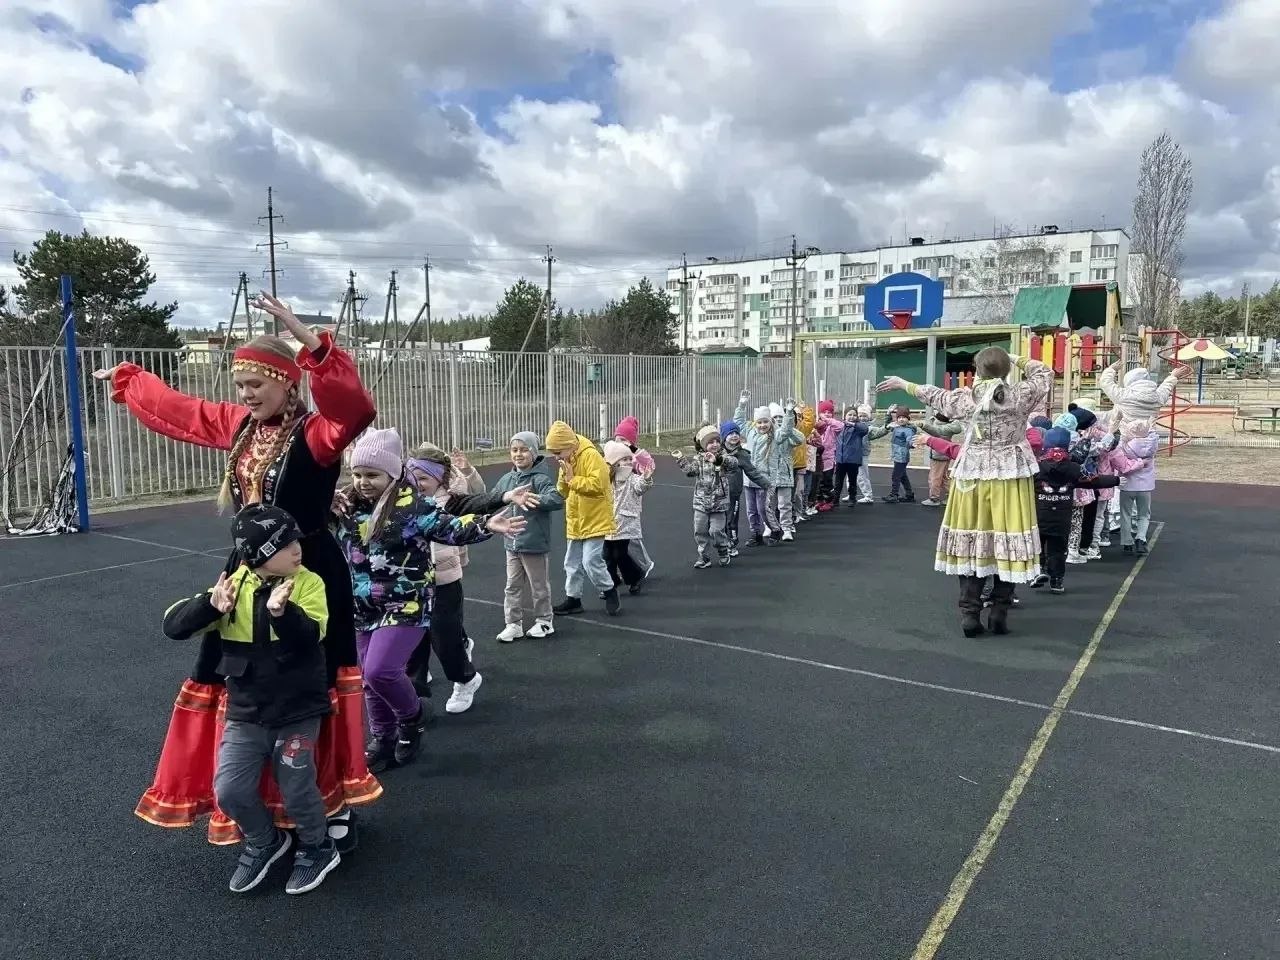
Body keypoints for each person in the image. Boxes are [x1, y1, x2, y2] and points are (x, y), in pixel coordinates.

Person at [105, 293, 377, 851]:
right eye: (240, 387)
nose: (245, 395)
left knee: (309, 681)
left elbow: (356, 411)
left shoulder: (316, 435)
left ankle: (326, 799)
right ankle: (261, 798)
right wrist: (131, 379)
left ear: (287, 383)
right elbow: (183, 412)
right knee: (245, 677)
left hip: (308, 568)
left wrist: (311, 341)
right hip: (251, 567)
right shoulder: (241, 427)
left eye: (256, 385)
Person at [162, 505, 339, 895]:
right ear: (259, 553)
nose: (297, 549)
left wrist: (282, 613)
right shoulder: (231, 588)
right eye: (286, 543)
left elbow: (312, 634)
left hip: (298, 711)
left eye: (296, 540)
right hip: (247, 714)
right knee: (230, 790)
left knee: (295, 782)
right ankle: (264, 841)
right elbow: (172, 625)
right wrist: (209, 606)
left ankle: (318, 846)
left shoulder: (308, 583)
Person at [331, 429, 514, 769]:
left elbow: (449, 527)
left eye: (372, 474)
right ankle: (383, 738)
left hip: (407, 604)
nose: (363, 482)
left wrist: (487, 523)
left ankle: (412, 717)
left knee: (381, 670)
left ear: (393, 473)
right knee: (369, 680)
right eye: (357, 474)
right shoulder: (346, 506)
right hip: (363, 607)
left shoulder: (412, 506)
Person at [878, 347, 1052, 637]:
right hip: (1010, 477)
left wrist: (903, 383)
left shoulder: (964, 398)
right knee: (1007, 542)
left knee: (971, 540)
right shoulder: (1021, 395)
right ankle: (999, 612)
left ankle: (970, 613)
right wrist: (1016, 357)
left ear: (977, 369)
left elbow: (932, 395)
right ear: (1007, 369)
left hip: (971, 475)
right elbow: (1045, 372)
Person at [400, 442, 529, 710]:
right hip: (413, 585)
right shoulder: (404, 502)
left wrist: (505, 497)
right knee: (413, 642)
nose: (417, 483)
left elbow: (477, 501)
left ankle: (465, 679)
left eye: (424, 478)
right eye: (413, 477)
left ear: (440, 480)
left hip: (444, 583)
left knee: (444, 641)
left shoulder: (450, 502)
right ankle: (416, 693)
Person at [1028, 428, 1121, 594]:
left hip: (1039, 515)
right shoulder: (1074, 468)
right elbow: (1093, 480)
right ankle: (1057, 581)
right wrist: (1116, 480)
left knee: (1038, 546)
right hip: (1062, 517)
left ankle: (1039, 570)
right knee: (1058, 549)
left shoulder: (1036, 468)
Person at [493, 432, 565, 641]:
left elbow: (556, 499)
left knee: (538, 585)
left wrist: (536, 499)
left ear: (533, 452)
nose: (518, 454)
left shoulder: (540, 478)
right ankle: (513, 624)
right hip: (512, 543)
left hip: (533, 543)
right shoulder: (506, 480)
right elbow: (493, 498)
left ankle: (544, 621)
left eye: (524, 450)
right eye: (515, 450)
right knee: (512, 586)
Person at [546, 420, 620, 616]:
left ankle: (609, 590)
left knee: (591, 560)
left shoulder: (591, 456)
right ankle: (573, 598)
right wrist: (564, 477)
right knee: (571, 562)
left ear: (570, 446)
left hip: (595, 518)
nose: (555, 457)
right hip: (576, 519)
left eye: (557, 452)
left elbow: (598, 485)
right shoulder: (567, 459)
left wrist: (572, 479)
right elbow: (563, 490)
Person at [674, 424, 758, 568]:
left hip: (719, 503)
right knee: (700, 531)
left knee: (716, 531)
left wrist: (718, 460)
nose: (715, 445)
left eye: (717, 442)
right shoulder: (699, 460)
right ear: (703, 445)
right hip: (701, 503)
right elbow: (690, 472)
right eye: (710, 442)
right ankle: (704, 557)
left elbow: (734, 463)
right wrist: (681, 459)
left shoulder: (724, 456)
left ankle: (723, 551)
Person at [733, 391, 804, 543]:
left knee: (764, 509)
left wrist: (789, 412)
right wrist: (742, 404)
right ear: (755, 423)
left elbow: (786, 431)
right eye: (759, 422)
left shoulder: (776, 436)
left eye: (765, 422)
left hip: (764, 480)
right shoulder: (751, 432)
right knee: (751, 510)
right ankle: (756, 534)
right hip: (749, 479)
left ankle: (775, 529)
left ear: (770, 422)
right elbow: (738, 422)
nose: (762, 425)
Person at [602, 440, 654, 591]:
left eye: (630, 459)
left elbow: (640, 488)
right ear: (614, 462)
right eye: (624, 459)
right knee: (607, 555)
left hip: (625, 522)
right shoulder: (607, 479)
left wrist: (646, 478)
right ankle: (611, 582)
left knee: (620, 554)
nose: (629, 462)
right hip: (607, 522)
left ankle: (634, 576)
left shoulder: (633, 479)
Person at [612, 415, 656, 577]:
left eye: (623, 439)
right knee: (614, 542)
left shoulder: (635, 458)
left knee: (632, 540)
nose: (619, 443)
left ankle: (644, 565)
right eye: (617, 439)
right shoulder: (612, 457)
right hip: (614, 503)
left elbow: (649, 465)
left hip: (630, 502)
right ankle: (621, 569)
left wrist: (634, 451)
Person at [1116, 418, 1159, 556]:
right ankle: (1141, 538)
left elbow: (1120, 443)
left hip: (1127, 484)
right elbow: (1153, 433)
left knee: (1125, 514)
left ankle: (1126, 542)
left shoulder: (1125, 444)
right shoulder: (1152, 444)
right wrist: (1150, 424)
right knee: (1144, 514)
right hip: (1145, 485)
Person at [1099, 360, 1189, 423]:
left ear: (1128, 381)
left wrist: (1111, 369)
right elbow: (1166, 387)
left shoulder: (1123, 395)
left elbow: (1105, 382)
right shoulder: (1157, 397)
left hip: (1126, 435)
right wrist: (1173, 376)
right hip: (1148, 437)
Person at [919, 411, 962, 507]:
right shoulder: (949, 426)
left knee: (934, 478)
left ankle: (934, 498)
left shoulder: (940, 428)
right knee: (944, 477)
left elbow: (933, 430)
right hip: (946, 455)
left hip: (938, 456)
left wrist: (923, 425)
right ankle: (952, 495)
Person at [832, 406, 868, 508]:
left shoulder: (858, 428)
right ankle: (835, 499)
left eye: (854, 415)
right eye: (849, 415)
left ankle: (852, 498)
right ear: (845, 416)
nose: (852, 417)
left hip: (853, 460)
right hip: (841, 459)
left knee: (852, 480)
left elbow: (865, 429)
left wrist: (853, 424)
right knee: (838, 481)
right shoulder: (840, 426)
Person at [811, 400, 843, 510]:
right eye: (824, 412)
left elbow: (840, 426)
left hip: (828, 459)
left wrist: (828, 420)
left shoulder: (832, 427)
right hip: (817, 458)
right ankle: (819, 500)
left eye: (829, 412)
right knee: (817, 483)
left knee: (827, 482)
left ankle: (829, 501)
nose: (826, 414)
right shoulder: (814, 425)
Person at [883, 406, 918, 503]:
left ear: (908, 418)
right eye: (899, 417)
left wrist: (912, 444)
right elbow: (887, 426)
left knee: (896, 476)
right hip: (897, 455)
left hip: (902, 456)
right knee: (902, 476)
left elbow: (909, 439)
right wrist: (888, 414)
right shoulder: (896, 427)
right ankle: (909, 494)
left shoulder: (908, 430)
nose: (901, 419)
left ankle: (894, 494)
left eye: (904, 417)